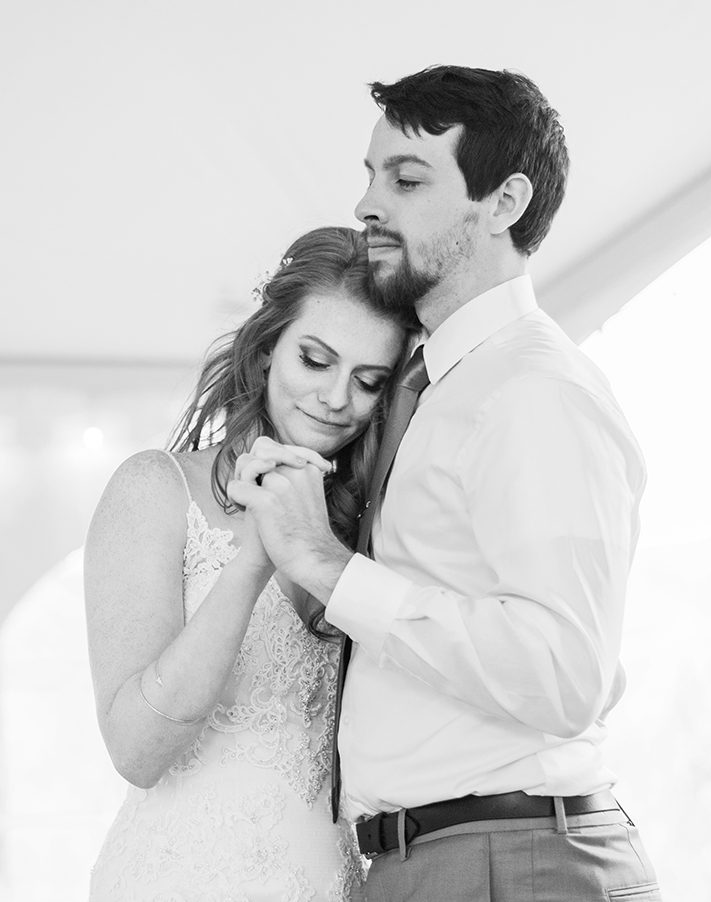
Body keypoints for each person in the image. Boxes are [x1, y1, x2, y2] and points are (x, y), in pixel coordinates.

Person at [227, 67, 662, 901]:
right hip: (437, 863)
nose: (367, 205)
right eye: (369, 175)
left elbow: (563, 673)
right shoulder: (429, 384)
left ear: (503, 203)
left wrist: (327, 566)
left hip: (512, 863)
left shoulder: (534, 391)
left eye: (407, 178)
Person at [85, 225, 418, 901]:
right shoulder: (154, 489)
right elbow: (137, 751)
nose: (335, 398)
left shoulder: (368, 523)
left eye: (367, 380)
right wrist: (256, 557)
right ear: (267, 350)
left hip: (330, 882)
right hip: (183, 878)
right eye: (315, 360)